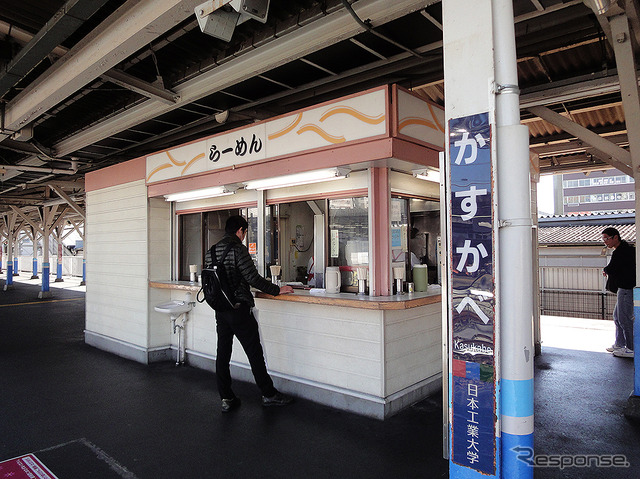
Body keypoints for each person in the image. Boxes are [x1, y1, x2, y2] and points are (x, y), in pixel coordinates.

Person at [204, 215, 295, 412]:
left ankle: (226, 397)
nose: (244, 236)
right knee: (254, 352)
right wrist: (277, 289)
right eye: (244, 232)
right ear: (240, 230)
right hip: (239, 309)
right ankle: (268, 394)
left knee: (223, 353)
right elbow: (252, 277)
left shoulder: (211, 251)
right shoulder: (238, 249)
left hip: (221, 310)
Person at [602, 227, 635, 358]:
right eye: (603, 239)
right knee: (617, 317)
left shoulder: (621, 252)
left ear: (616, 237)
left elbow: (612, 268)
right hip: (625, 288)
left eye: (607, 238)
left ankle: (631, 348)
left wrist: (606, 269)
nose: (605, 242)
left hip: (626, 288)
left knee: (624, 319)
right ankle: (620, 344)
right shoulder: (627, 249)